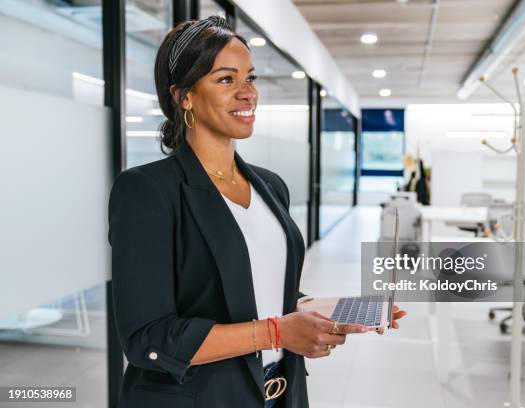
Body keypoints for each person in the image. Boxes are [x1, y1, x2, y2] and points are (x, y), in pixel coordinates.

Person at [108, 16, 406, 408]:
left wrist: (320, 311)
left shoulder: (269, 186)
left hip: (280, 394)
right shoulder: (147, 191)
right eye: (226, 80)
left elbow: (254, 288)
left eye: (250, 78)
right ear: (185, 96)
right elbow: (148, 338)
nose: (248, 93)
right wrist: (278, 333)